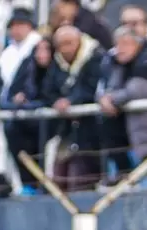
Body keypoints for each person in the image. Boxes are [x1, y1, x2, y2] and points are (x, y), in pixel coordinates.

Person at [97, 25, 147, 182]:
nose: (121, 49)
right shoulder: (114, 64)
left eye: (126, 44)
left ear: (137, 44)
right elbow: (104, 87)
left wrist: (111, 100)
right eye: (118, 44)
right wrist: (104, 99)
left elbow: (139, 89)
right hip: (130, 134)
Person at [41, 23, 104, 192]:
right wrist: (56, 102)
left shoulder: (95, 57)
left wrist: (72, 102)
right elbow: (48, 90)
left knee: (81, 181)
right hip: (65, 131)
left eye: (69, 43)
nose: (65, 49)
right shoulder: (56, 63)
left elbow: (93, 87)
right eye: (60, 45)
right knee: (58, 181)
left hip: (90, 130)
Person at [0, 9, 42, 192]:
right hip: (11, 110)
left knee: (36, 151)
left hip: (33, 110)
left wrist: (27, 93)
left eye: (21, 25)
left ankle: (38, 185)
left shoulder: (38, 47)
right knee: (17, 150)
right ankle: (27, 185)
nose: (16, 30)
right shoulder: (8, 52)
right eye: (13, 26)